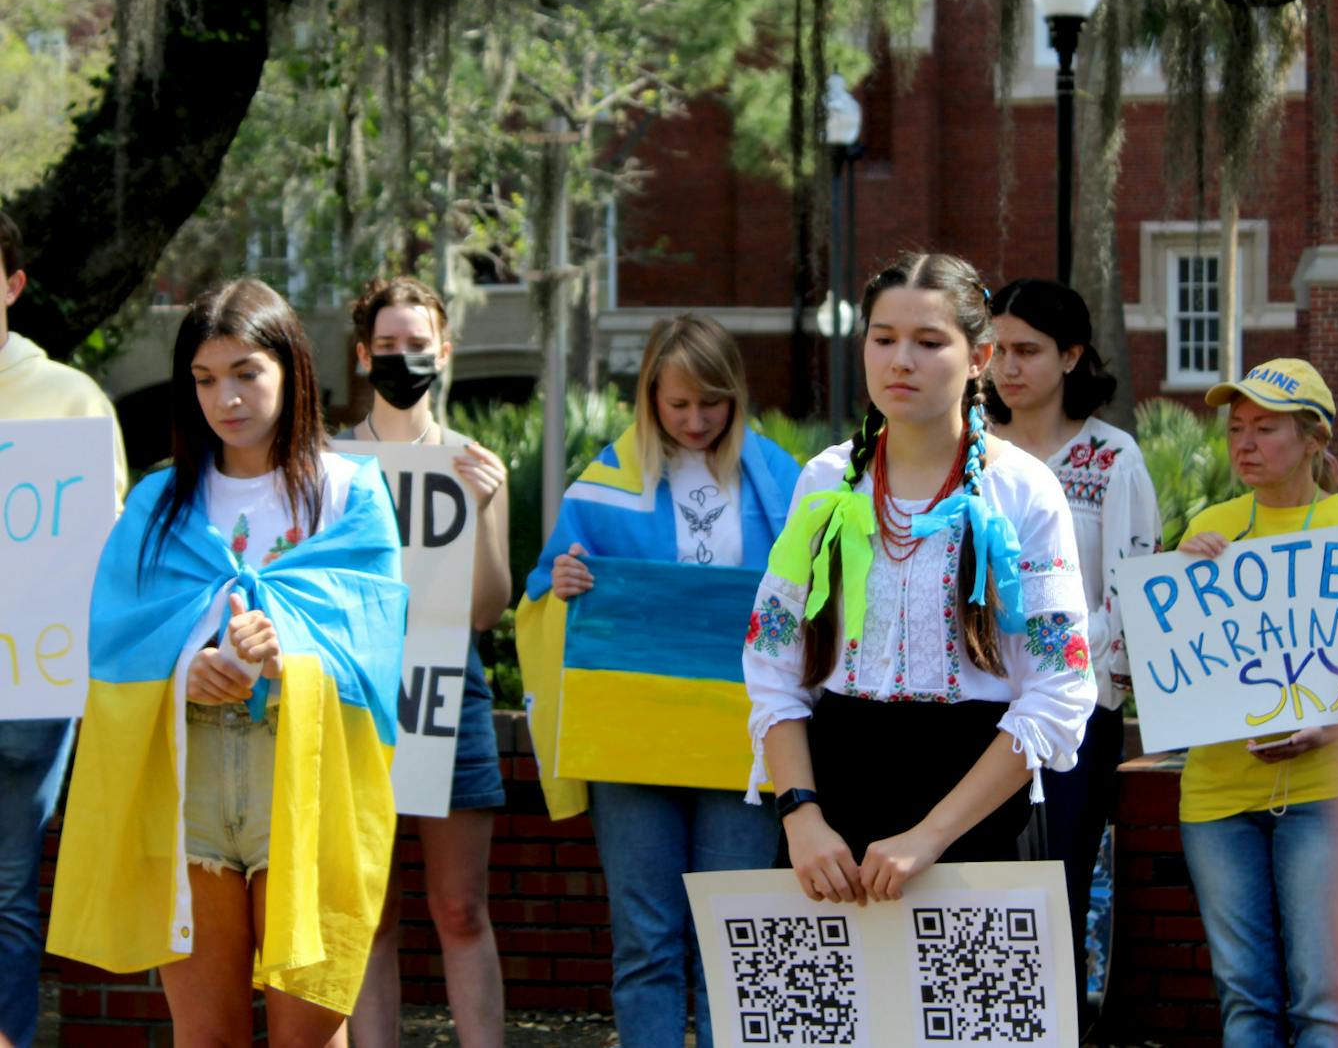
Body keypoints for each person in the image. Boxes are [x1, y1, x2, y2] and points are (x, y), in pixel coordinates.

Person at [46, 280, 408, 1047]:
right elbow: (115, 644)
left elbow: (377, 651)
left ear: (292, 368)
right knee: (205, 1034)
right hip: (191, 777)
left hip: (308, 775)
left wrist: (290, 656)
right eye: (205, 379)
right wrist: (187, 668)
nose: (226, 398)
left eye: (246, 371)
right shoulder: (156, 503)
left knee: (307, 1037)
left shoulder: (353, 493)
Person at [744, 252, 1097, 910]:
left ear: (978, 358)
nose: (900, 360)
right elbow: (773, 662)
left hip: (976, 817)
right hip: (829, 821)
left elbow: (1059, 688)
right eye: (883, 339)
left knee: (966, 1014)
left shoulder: (1023, 491)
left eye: (929, 341)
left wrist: (929, 836)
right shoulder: (824, 481)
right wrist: (800, 815)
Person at [519, 312, 802, 1048]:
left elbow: (821, 589)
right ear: (649, 397)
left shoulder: (779, 477)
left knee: (727, 937)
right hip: (631, 743)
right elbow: (543, 584)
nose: (696, 419)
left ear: (735, 395)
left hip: (741, 742)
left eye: (711, 402)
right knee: (646, 938)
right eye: (678, 404)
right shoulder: (606, 480)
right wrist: (564, 579)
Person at [1175, 358, 1338, 1047]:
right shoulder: (1210, 528)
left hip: (1327, 793)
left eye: (1266, 428)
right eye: (1235, 429)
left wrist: (1326, 729)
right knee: (1245, 998)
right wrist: (1183, 579)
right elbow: (1178, 667)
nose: (1244, 444)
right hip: (1218, 797)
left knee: (1325, 995)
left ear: (1314, 439)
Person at [342, 278, 510, 1048]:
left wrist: (481, 512)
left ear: (444, 352)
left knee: (459, 908)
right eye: (387, 347)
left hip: (452, 692)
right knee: (369, 914)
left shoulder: (474, 464)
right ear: (361, 354)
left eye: (417, 346)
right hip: (358, 699)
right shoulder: (330, 464)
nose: (402, 359)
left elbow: (487, 609)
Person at [987, 278, 1160, 1014]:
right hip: (975, 709)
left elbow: (1130, 588)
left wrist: (1067, 664)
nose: (1007, 367)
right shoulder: (971, 451)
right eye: (995, 349)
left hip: (1074, 717)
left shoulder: (1113, 458)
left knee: (1056, 894)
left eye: (1027, 350)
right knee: (978, 893)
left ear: (1072, 355)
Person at [0, 211, 127, 1048]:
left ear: (13, 283)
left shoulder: (74, 397)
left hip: (28, 687)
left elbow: (104, 541)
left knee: (8, 888)